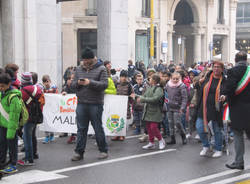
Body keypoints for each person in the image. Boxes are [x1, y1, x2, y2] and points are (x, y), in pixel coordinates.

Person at [71, 47, 108, 161]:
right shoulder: (78, 69)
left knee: (97, 127)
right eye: (84, 60)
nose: (85, 62)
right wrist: (77, 83)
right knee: (81, 129)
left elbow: (104, 85)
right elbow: (72, 86)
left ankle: (103, 150)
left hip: (95, 104)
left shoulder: (102, 69)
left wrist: (89, 82)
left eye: (87, 60)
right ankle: (79, 152)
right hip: (81, 103)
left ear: (93, 58)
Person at [221, 51, 250, 170]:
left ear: (235, 59)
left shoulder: (232, 71)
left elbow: (230, 89)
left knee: (238, 135)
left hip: (238, 108)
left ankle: (239, 162)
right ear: (246, 59)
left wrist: (226, 97)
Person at [195, 61, 226, 158]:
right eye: (214, 67)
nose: (216, 69)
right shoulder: (207, 78)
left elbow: (229, 92)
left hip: (216, 109)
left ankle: (218, 149)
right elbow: (197, 88)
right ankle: (206, 146)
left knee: (217, 130)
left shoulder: (224, 80)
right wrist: (198, 83)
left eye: (218, 67)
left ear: (222, 69)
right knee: (199, 127)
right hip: (203, 107)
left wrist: (225, 97)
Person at [134, 74, 165, 150]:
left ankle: (161, 140)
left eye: (150, 78)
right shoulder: (150, 87)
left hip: (155, 111)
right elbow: (144, 96)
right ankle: (151, 143)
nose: (149, 79)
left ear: (154, 80)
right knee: (148, 128)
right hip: (148, 111)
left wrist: (142, 99)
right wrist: (136, 96)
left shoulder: (159, 89)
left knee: (153, 127)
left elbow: (155, 99)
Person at [18, 72, 43, 166]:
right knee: (32, 136)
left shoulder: (23, 90)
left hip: (28, 116)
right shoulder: (38, 88)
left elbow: (20, 104)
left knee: (26, 137)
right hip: (36, 115)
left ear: (24, 80)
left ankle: (29, 159)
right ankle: (33, 154)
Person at [0, 72, 22, 173]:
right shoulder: (2, 94)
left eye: (2, 86)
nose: (1, 88)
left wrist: (11, 132)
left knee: (12, 147)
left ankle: (13, 165)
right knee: (2, 145)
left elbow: (14, 117)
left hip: (11, 127)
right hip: (2, 125)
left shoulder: (14, 98)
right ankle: (2, 163)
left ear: (9, 84)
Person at [166, 72, 188, 145]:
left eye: (177, 79)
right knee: (170, 123)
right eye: (173, 79)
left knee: (177, 122)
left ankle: (183, 135)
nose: (175, 80)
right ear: (171, 78)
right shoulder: (168, 85)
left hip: (178, 108)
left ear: (180, 79)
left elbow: (185, 98)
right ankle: (172, 138)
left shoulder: (182, 86)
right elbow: (165, 94)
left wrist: (182, 108)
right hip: (169, 107)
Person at [112, 70, 134, 141]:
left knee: (123, 120)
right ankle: (116, 135)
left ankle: (122, 135)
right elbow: (113, 92)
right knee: (115, 119)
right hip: (116, 104)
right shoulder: (116, 84)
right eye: (122, 76)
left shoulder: (129, 85)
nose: (124, 78)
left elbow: (132, 94)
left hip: (125, 105)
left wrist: (131, 98)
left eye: (125, 77)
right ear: (120, 77)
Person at [42, 75, 58, 144]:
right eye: (44, 82)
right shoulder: (42, 89)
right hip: (45, 108)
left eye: (47, 81)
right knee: (46, 122)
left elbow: (57, 96)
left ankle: (51, 135)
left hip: (52, 108)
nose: (46, 83)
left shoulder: (54, 88)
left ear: (50, 81)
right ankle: (47, 136)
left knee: (51, 121)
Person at [62, 74, 77, 144]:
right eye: (68, 79)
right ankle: (71, 134)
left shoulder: (75, 86)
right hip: (69, 108)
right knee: (70, 120)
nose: (70, 81)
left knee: (75, 121)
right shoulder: (66, 87)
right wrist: (64, 93)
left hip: (75, 107)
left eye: (71, 79)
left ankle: (74, 135)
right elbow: (63, 94)